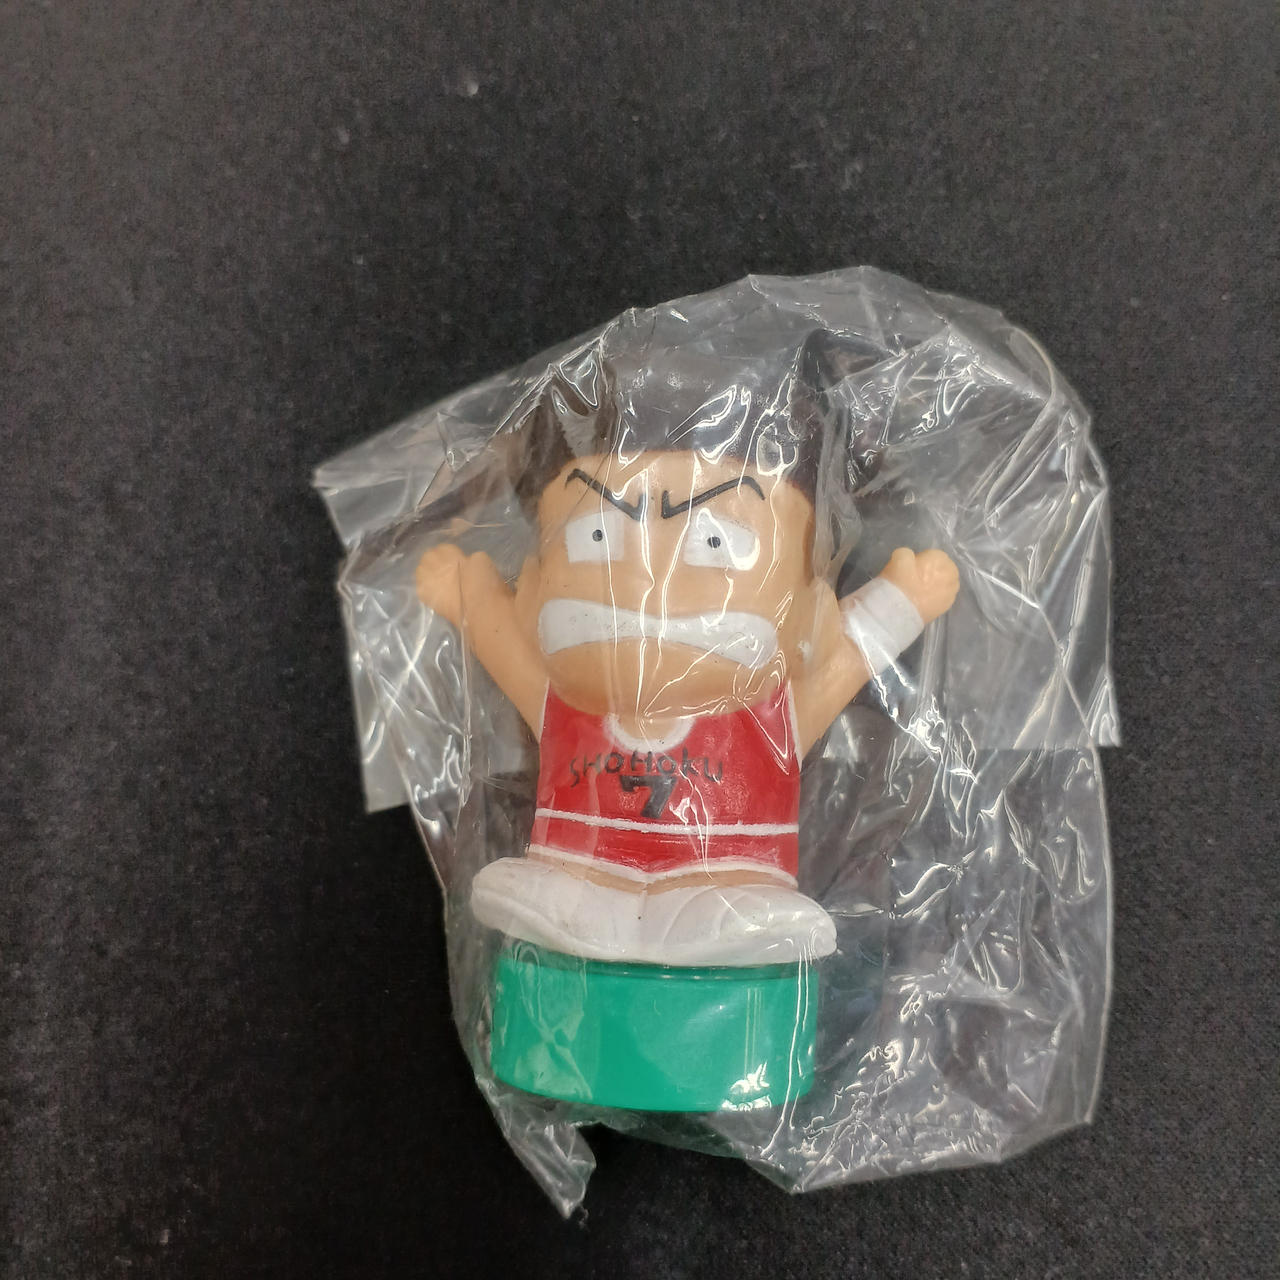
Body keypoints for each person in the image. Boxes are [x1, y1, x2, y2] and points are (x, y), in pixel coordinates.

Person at [415, 344, 958, 966]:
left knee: (730, 909)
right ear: (534, 588)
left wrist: (901, 603)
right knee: (561, 895)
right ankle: (574, 907)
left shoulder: (769, 718)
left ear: (809, 612)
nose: (652, 585)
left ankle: (726, 917)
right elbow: (506, 646)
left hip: (728, 878)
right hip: (579, 869)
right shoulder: (565, 705)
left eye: (713, 543)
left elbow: (847, 660)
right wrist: (472, 599)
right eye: (599, 537)